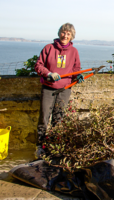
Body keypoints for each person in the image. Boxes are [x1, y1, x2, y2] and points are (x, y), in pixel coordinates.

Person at [34, 23, 84, 159]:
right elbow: (38, 65)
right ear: (59, 33)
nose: (65, 35)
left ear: (71, 36)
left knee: (59, 118)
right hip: (48, 88)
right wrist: (48, 73)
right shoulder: (48, 48)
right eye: (63, 32)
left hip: (64, 89)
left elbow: (76, 69)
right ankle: (40, 146)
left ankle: (55, 146)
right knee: (44, 118)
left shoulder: (74, 52)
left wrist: (77, 76)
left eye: (68, 34)